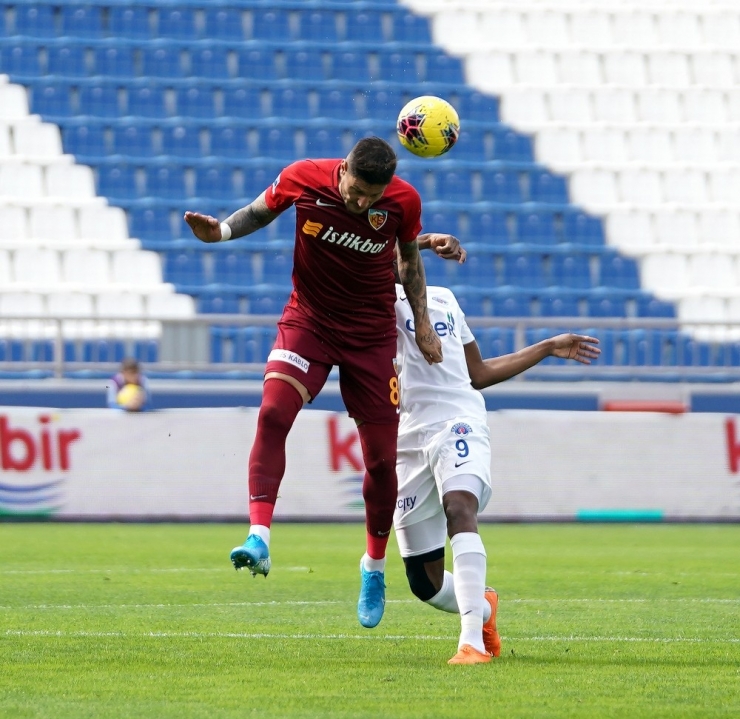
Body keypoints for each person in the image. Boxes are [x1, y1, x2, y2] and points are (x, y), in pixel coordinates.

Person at [184, 137, 455, 629]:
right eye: (355, 191)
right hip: (308, 321)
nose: (361, 203)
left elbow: (409, 262)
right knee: (271, 412)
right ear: (344, 169)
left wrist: (422, 323)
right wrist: (220, 232)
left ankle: (373, 567)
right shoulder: (304, 176)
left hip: (371, 335)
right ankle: (259, 537)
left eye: (371, 196)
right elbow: (259, 211)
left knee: (378, 459)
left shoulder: (403, 201)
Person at [393, 238, 600, 664]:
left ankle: (471, 642)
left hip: (459, 419)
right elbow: (386, 254)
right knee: (423, 583)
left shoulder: (446, 298)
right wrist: (427, 241)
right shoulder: (375, 299)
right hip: (409, 436)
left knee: (459, 506)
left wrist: (545, 347)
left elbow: (479, 373)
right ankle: (484, 607)